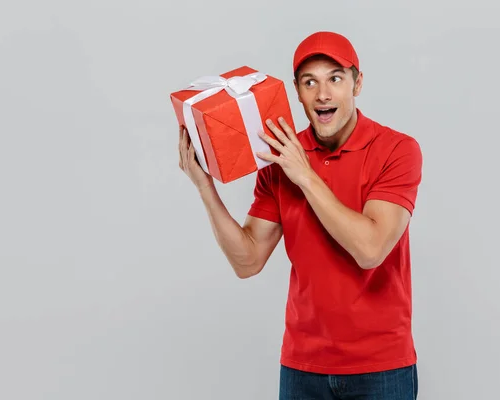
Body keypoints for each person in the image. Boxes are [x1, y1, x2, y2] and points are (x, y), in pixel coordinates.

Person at [178, 31, 423, 400]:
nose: (323, 94)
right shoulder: (279, 159)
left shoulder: (397, 150)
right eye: (310, 82)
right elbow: (247, 261)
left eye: (335, 79)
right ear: (297, 91)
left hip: (381, 368)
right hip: (302, 366)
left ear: (357, 84)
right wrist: (205, 187)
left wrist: (305, 174)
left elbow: (370, 249)